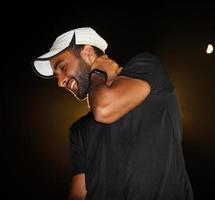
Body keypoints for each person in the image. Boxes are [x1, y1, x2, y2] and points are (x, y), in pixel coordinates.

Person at [32, 27, 194, 200]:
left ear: (87, 53)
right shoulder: (78, 130)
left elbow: (104, 109)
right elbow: (79, 193)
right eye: (57, 76)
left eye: (62, 67)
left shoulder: (147, 67)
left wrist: (98, 72)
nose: (60, 81)